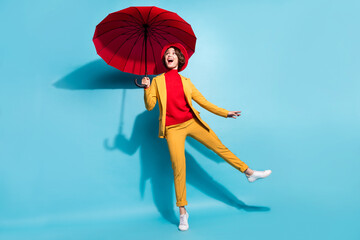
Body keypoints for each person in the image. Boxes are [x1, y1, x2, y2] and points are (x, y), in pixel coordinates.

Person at [141, 43, 271, 231]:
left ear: (179, 59)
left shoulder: (186, 81)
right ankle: (183, 213)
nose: (169, 55)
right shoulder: (157, 81)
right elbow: (150, 106)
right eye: (167, 54)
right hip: (172, 129)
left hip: (192, 122)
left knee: (220, 147)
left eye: (173, 54)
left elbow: (203, 102)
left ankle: (249, 173)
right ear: (165, 60)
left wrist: (225, 113)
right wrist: (146, 88)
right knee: (179, 168)